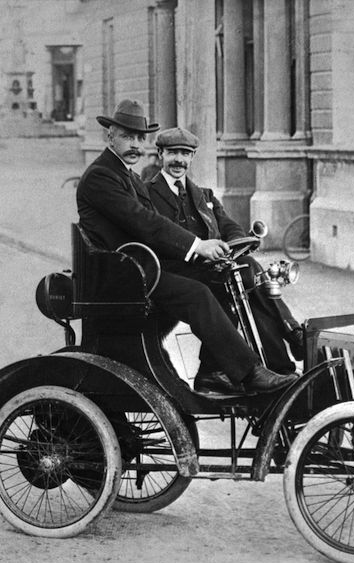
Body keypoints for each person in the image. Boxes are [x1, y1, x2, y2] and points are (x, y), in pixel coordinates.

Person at [76, 99, 296, 395]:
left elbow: (153, 223)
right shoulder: (102, 175)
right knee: (197, 294)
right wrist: (196, 246)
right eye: (127, 136)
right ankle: (249, 372)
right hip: (126, 277)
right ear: (110, 136)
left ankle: (214, 372)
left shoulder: (127, 175)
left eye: (140, 138)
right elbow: (144, 222)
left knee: (225, 279)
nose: (135, 144)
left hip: (141, 268)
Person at [146, 126, 304, 393]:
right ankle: (290, 336)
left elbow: (229, 226)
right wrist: (200, 249)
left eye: (185, 154)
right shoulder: (147, 194)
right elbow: (157, 234)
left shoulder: (204, 195)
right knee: (245, 276)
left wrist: (237, 243)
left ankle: (281, 368)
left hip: (209, 270)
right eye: (173, 153)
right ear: (160, 154)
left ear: (192, 157)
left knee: (249, 273)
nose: (179, 161)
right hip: (174, 273)